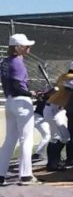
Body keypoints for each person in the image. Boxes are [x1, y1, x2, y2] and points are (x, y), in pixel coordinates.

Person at [0, 33, 39, 185]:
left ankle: (1, 175)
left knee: (9, 140)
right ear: (18, 47)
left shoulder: (5, 61)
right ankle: (26, 176)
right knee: (26, 139)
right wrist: (32, 93)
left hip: (10, 103)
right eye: (26, 46)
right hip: (22, 102)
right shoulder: (17, 63)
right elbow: (17, 86)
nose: (29, 48)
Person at [32, 88, 52, 161]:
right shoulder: (45, 97)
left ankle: (41, 154)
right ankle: (37, 153)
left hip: (41, 119)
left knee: (47, 136)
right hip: (38, 118)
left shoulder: (51, 98)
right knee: (47, 135)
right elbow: (43, 94)